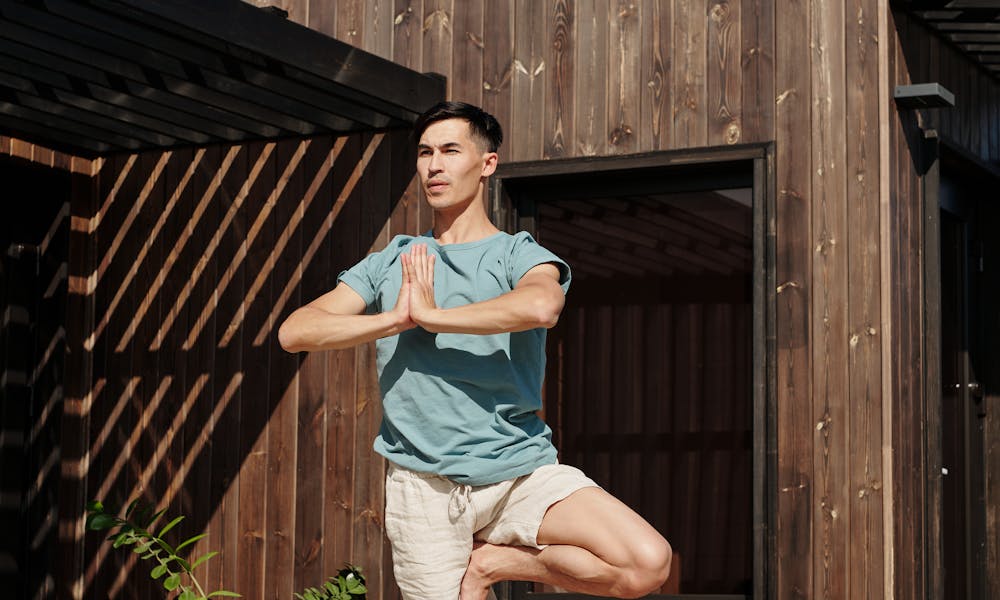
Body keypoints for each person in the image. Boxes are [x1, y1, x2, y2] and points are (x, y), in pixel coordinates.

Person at [278, 101, 671, 600]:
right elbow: (296, 331)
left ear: (486, 164)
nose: (434, 165)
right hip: (425, 487)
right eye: (424, 152)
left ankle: (494, 562)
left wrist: (432, 317)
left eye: (449, 150)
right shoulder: (392, 260)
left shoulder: (515, 253)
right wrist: (394, 319)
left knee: (646, 564)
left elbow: (543, 305)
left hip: (519, 471)